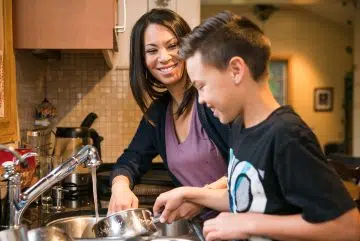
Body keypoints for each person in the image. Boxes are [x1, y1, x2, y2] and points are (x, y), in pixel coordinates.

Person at [153, 11, 360, 241]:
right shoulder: (240, 126)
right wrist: (188, 194)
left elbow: (348, 226)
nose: (200, 99)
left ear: (236, 70)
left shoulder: (287, 135)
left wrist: (248, 224)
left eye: (202, 86)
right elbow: (246, 197)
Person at [108, 8, 229, 218]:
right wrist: (120, 186)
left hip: (238, 224)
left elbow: (247, 166)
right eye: (152, 50)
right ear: (142, 60)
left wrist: (199, 199)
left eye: (173, 46)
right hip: (200, 228)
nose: (164, 57)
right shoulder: (158, 114)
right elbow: (131, 160)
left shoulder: (212, 100)